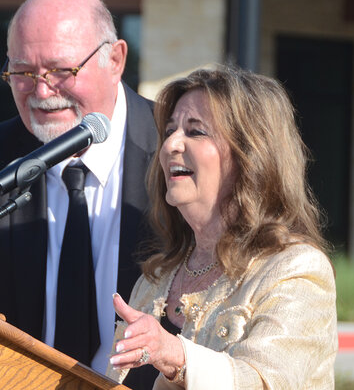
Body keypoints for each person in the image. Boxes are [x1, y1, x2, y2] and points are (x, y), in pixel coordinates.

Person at [0, 0, 158, 384]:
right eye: (23, 73)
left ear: (115, 59)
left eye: (62, 70)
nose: (42, 91)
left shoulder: (175, 151)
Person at [106, 66, 337, 389]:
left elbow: (264, 382)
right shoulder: (152, 283)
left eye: (195, 131)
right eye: (170, 130)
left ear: (251, 155)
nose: (171, 143)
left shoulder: (295, 271)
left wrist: (175, 355)